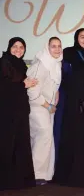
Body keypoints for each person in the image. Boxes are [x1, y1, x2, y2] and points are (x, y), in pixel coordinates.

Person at [53, 49, 84, 187]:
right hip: (78, 117)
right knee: (83, 144)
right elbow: (81, 97)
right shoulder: (80, 73)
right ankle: (79, 179)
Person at [0, 37, 37, 190]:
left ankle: (18, 181)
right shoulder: (4, 62)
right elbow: (4, 87)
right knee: (7, 145)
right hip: (7, 112)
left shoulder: (20, 64)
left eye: (22, 47)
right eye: (15, 46)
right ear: (9, 48)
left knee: (19, 144)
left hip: (20, 111)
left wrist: (25, 85)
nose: (18, 50)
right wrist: (23, 84)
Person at [27, 37, 63, 185]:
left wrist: (55, 96)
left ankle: (45, 174)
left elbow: (53, 84)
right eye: (53, 46)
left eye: (59, 46)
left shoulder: (55, 63)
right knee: (43, 138)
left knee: (45, 140)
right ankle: (35, 175)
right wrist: (48, 105)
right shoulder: (40, 64)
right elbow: (32, 91)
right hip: (38, 107)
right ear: (47, 48)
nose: (57, 49)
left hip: (48, 108)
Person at [53, 28, 84, 161]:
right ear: (76, 38)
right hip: (69, 98)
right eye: (82, 37)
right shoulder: (69, 52)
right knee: (68, 132)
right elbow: (62, 74)